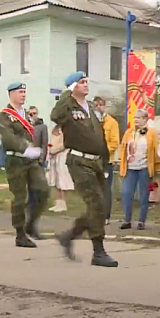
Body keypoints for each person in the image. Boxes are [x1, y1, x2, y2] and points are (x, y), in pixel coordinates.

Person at [50, 72, 117, 267]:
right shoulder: (67, 107)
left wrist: (104, 162)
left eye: (86, 81)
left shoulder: (91, 110)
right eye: (81, 82)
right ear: (72, 87)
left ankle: (69, 236)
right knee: (96, 203)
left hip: (96, 162)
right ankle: (98, 251)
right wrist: (66, 94)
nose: (86, 84)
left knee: (103, 205)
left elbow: (100, 137)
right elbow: (55, 115)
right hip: (79, 160)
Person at [0, 83, 50, 248]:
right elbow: (7, 138)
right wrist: (25, 148)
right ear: (11, 94)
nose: (23, 95)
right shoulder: (4, 116)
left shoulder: (26, 115)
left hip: (30, 161)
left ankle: (31, 223)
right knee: (20, 197)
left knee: (43, 190)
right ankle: (20, 234)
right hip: (15, 160)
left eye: (24, 92)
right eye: (20, 92)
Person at [119, 109, 160, 230]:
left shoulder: (151, 133)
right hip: (130, 168)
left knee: (144, 195)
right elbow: (122, 148)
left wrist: (156, 170)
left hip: (144, 168)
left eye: (139, 118)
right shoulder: (129, 132)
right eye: (135, 118)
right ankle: (127, 220)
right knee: (127, 193)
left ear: (145, 119)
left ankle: (141, 221)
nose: (136, 120)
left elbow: (156, 151)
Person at [93, 96, 119, 225]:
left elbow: (114, 142)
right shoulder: (91, 122)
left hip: (106, 160)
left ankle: (106, 216)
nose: (98, 107)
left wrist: (103, 151)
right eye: (96, 105)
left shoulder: (112, 122)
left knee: (106, 189)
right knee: (94, 189)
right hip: (93, 160)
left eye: (100, 105)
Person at [26, 105, 49, 240]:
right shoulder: (23, 125)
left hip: (36, 163)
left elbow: (44, 144)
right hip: (24, 163)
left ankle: (33, 224)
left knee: (40, 193)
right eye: (30, 114)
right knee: (27, 196)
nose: (33, 116)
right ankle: (27, 226)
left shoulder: (41, 127)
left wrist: (41, 159)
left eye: (34, 113)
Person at [47, 125, 74, 211]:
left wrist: (54, 150)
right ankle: (58, 203)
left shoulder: (67, 129)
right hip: (54, 157)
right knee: (55, 180)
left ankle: (63, 204)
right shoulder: (54, 129)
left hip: (62, 157)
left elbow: (65, 144)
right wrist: (50, 150)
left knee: (62, 181)